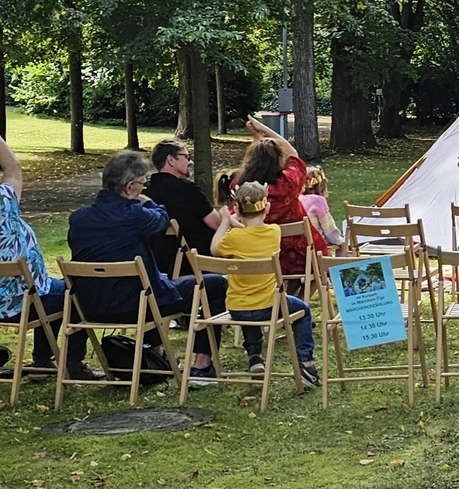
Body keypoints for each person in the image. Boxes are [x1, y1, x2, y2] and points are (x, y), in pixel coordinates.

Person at [0, 122, 95, 379]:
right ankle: (71, 365)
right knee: (73, 293)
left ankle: (43, 362)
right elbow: (14, 170)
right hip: (17, 306)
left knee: (53, 289)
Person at [67, 150, 227, 384]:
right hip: (138, 305)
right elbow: (162, 218)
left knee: (150, 282)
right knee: (213, 283)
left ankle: (155, 353)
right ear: (130, 186)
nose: (144, 188)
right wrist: (148, 202)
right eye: (142, 184)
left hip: (91, 306)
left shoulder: (78, 219)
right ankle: (202, 364)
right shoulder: (135, 215)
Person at [210, 181, 321, 386]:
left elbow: (215, 248)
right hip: (268, 306)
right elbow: (253, 231)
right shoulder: (274, 232)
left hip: (237, 308)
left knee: (248, 306)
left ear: (238, 209)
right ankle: (306, 363)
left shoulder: (233, 238)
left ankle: (254, 357)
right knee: (303, 310)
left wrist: (226, 221)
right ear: (266, 207)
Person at [220, 116, 324, 291]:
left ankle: (283, 305)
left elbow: (254, 162)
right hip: (298, 256)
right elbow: (292, 153)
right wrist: (264, 129)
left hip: (257, 254)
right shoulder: (287, 183)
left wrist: (257, 141)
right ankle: (294, 304)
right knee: (321, 269)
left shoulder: (239, 187)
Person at [143, 139, 222, 276]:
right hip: (198, 264)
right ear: (171, 160)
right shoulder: (188, 190)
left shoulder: (145, 194)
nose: (190, 162)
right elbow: (217, 224)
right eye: (186, 157)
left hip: (159, 265)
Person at [300, 166, 342, 251]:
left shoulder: (298, 199)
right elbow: (330, 231)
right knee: (342, 245)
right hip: (317, 244)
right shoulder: (318, 201)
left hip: (301, 244)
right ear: (322, 186)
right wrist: (341, 241)